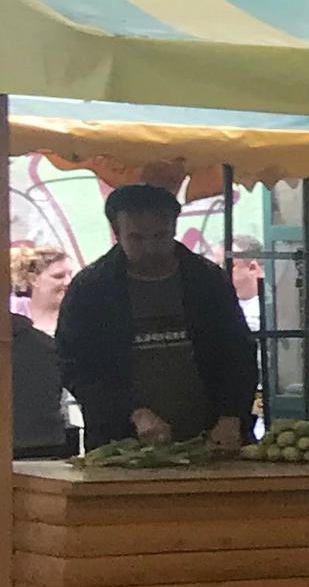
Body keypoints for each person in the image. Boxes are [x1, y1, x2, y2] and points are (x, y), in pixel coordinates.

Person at [56, 185, 253, 448]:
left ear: (174, 229)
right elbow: (74, 365)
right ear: (117, 234)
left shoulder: (207, 280)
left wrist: (232, 415)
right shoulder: (91, 289)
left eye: (160, 236)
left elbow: (239, 352)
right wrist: (131, 412)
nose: (150, 248)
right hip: (122, 442)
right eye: (136, 238)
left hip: (211, 439)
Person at [11, 244, 72, 456]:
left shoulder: (75, 321)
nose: (67, 282)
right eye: (58, 276)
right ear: (34, 279)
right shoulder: (18, 325)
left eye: (69, 274)